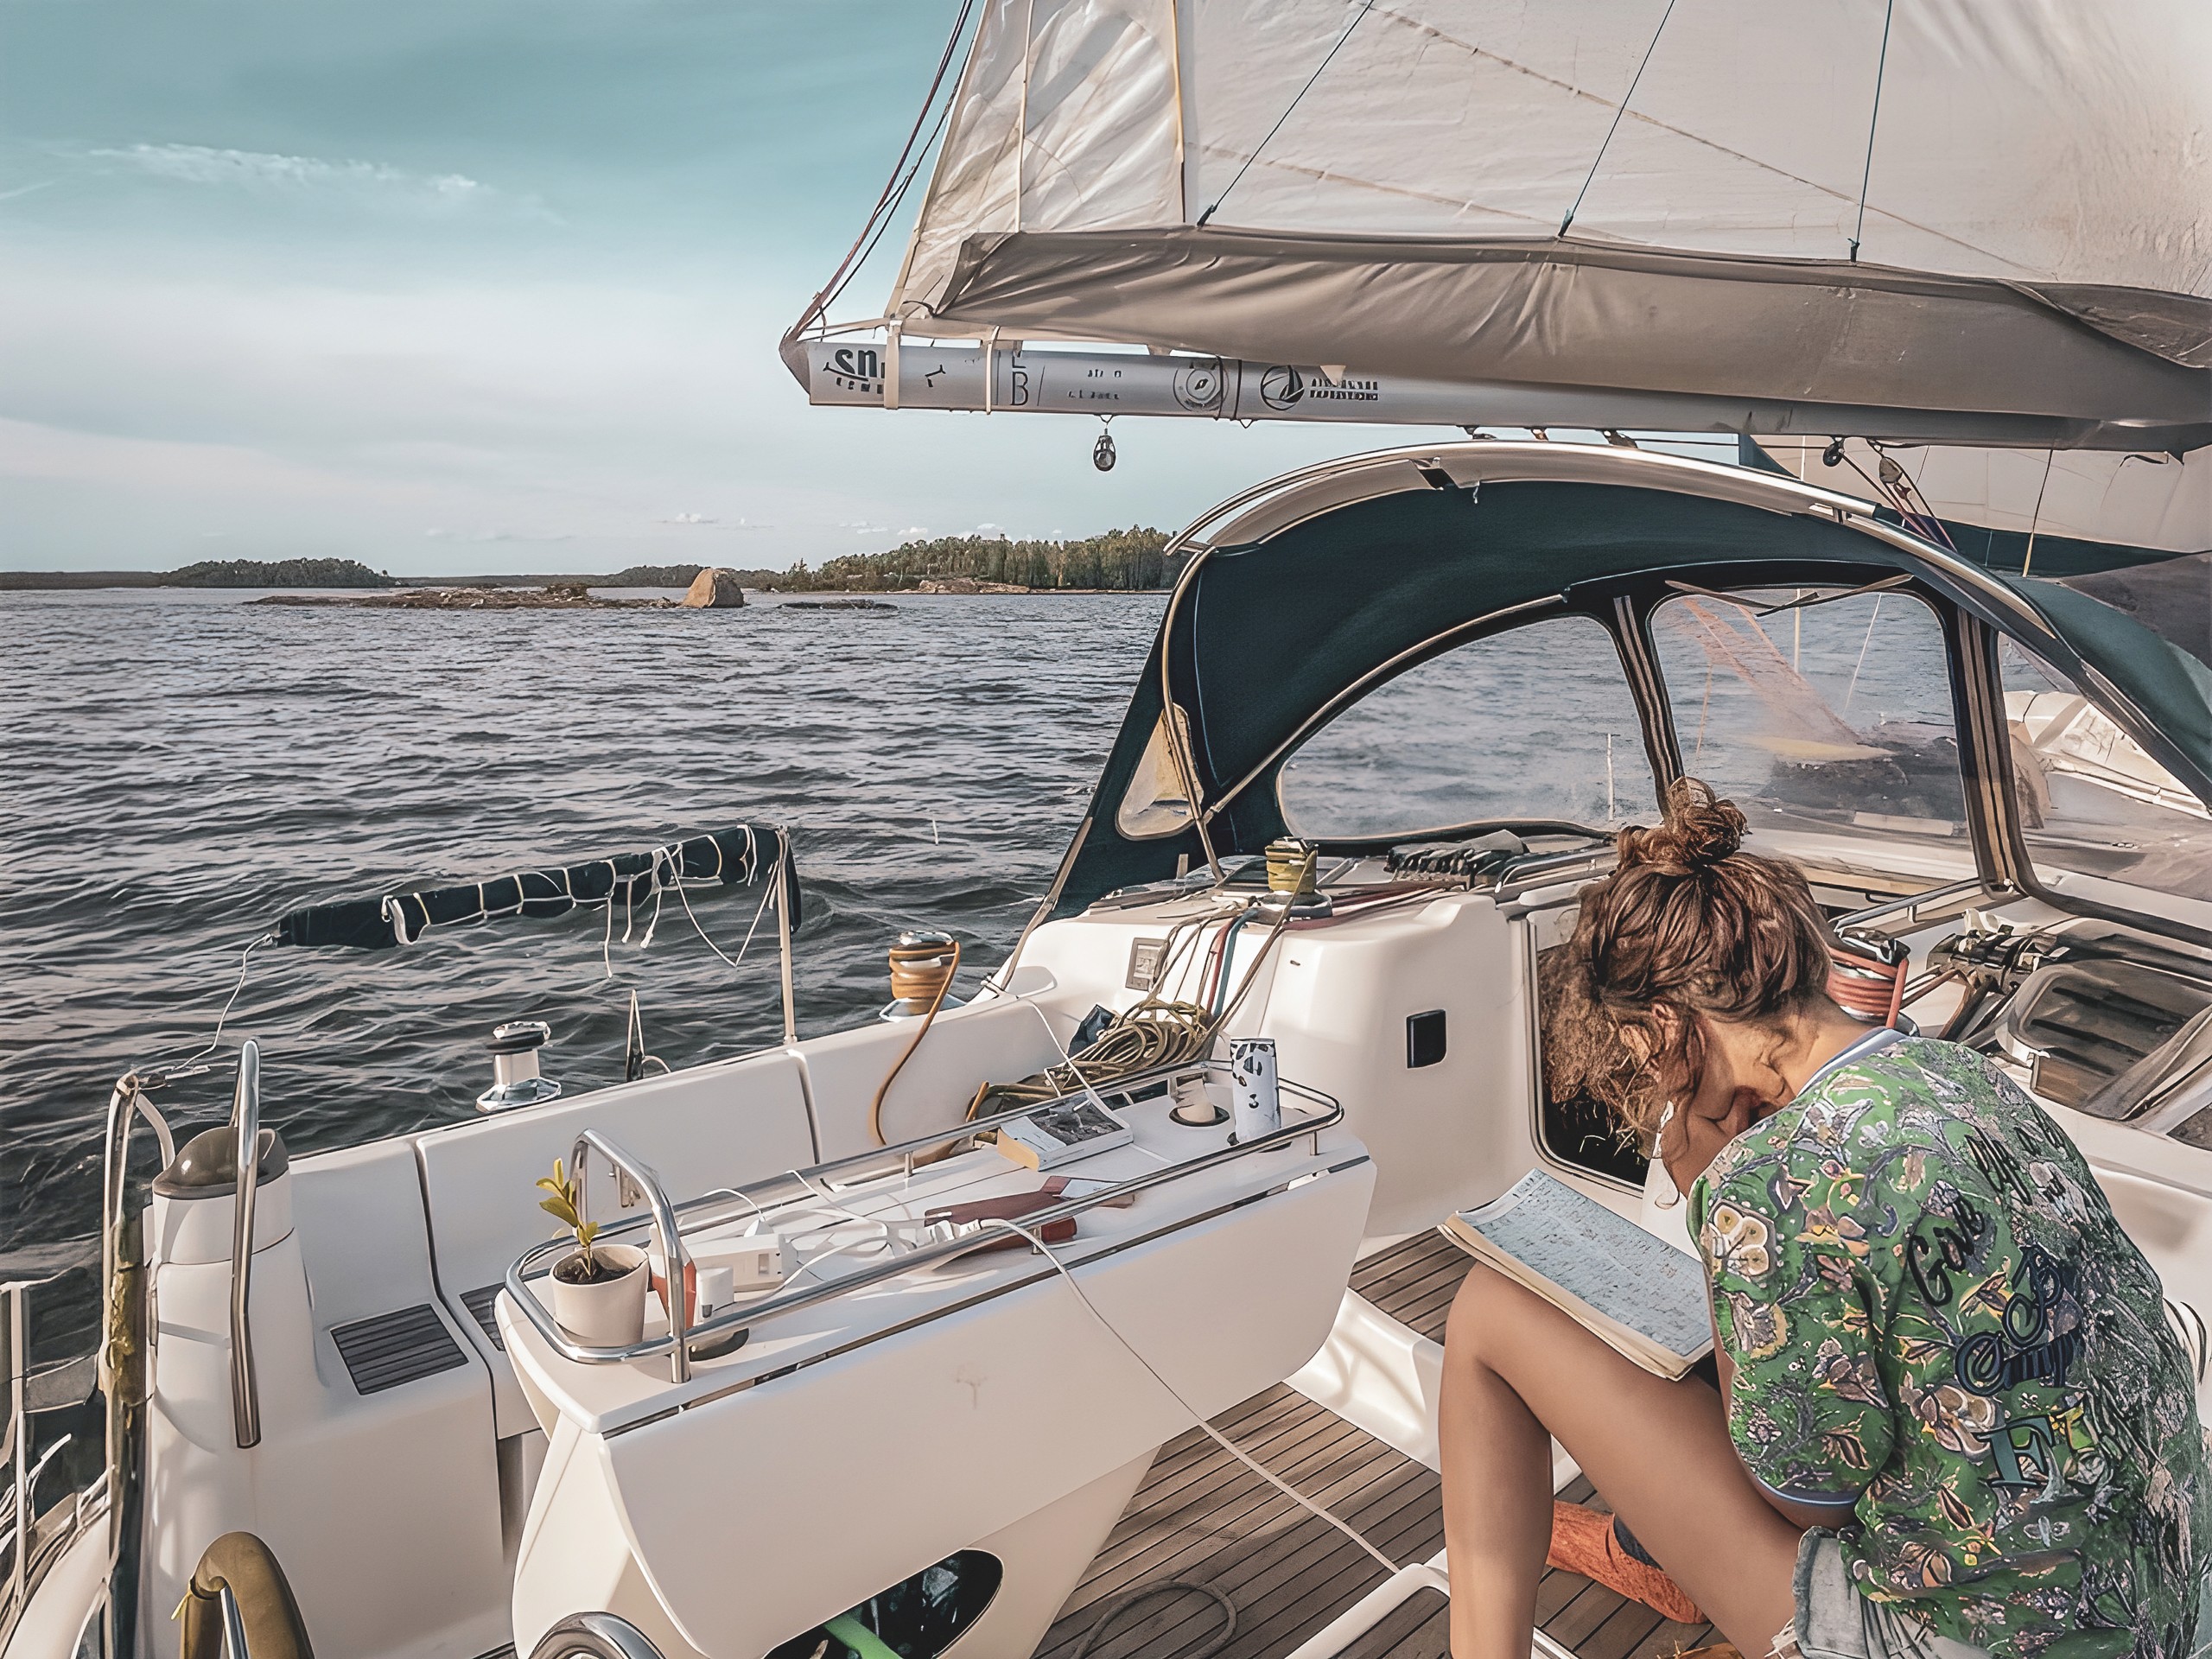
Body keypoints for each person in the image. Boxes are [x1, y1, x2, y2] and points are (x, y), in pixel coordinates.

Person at [1439, 780, 2209, 1659]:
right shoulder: (1964, 1077)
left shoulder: (1767, 1177)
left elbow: (1804, 1499)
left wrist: (1713, 1211)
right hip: (2157, 1595)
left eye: (1636, 1048)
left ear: (1664, 1026)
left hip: (1986, 1639)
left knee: (1490, 1311)